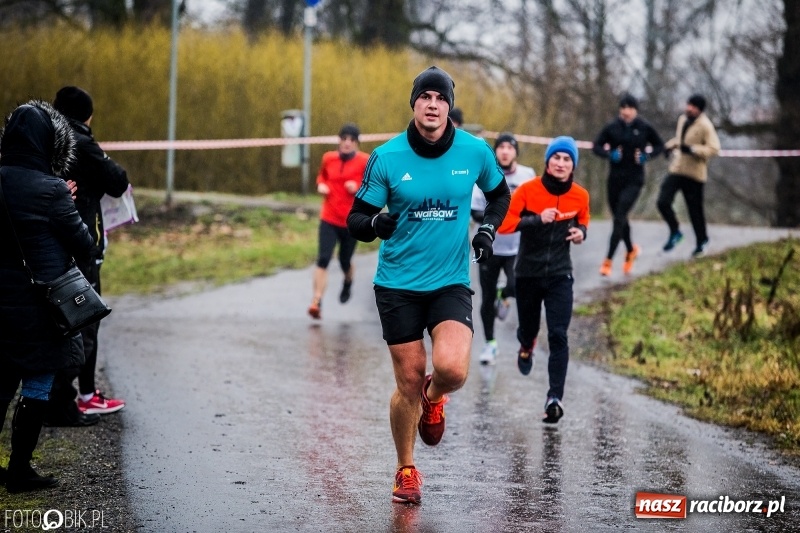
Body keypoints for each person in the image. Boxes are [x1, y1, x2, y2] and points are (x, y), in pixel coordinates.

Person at [347, 66, 510, 504]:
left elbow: (500, 195)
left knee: (453, 369)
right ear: (414, 104)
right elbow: (356, 219)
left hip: (449, 281)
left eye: (441, 97)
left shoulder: (475, 152)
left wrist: (487, 231)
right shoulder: (387, 157)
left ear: (449, 105)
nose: (433, 104)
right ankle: (406, 470)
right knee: (408, 380)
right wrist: (377, 222)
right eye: (425, 97)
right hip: (397, 284)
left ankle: (434, 398)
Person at [0, 100, 95, 492]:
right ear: (48, 143)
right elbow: (84, 245)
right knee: (37, 381)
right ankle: (20, 469)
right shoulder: (52, 190)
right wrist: (68, 204)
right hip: (40, 303)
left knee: (1, 382)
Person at [44, 86, 129, 427]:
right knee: (83, 320)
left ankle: (68, 394)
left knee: (55, 321)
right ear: (87, 115)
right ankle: (75, 397)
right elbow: (118, 182)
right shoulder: (79, 140)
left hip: (44, 245)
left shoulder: (44, 137)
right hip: (80, 243)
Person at [498, 136, 590, 425]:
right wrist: (538, 219)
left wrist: (581, 233)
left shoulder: (580, 196)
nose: (561, 163)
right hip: (527, 273)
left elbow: (583, 219)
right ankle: (526, 345)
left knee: (559, 334)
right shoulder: (528, 190)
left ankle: (554, 398)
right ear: (548, 161)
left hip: (560, 275)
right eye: (557, 158)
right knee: (528, 328)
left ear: (573, 164)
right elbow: (504, 225)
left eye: (567, 159)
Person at [471, 133, 535, 365]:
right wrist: (498, 216)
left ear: (516, 152)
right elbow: (475, 211)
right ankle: (490, 344)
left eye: (510, 147)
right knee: (486, 298)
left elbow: (535, 206)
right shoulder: (486, 174)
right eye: (501, 147)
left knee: (515, 285)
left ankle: (505, 296)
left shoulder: (527, 176)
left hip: (518, 246)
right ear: (495, 151)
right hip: (489, 245)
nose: (505, 151)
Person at [592, 93, 664, 276]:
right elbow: (596, 146)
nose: (626, 111)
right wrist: (610, 155)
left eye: (630, 108)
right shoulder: (612, 127)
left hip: (634, 179)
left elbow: (659, 146)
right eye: (623, 108)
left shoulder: (644, 127)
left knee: (619, 217)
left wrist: (646, 156)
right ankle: (631, 250)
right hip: (614, 179)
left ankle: (607, 261)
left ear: (636, 110)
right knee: (620, 218)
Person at [307, 123, 369, 319]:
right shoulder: (328, 158)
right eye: (344, 139)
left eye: (352, 140)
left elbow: (373, 187)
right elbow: (321, 177)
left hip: (352, 221)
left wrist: (358, 187)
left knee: (344, 261)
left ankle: (348, 280)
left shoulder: (365, 161)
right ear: (339, 140)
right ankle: (316, 301)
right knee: (323, 259)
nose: (347, 143)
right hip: (329, 217)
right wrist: (321, 186)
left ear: (357, 143)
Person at [657, 93, 720, 257]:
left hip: (694, 174)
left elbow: (714, 149)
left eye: (692, 106)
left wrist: (693, 150)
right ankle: (675, 230)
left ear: (699, 109)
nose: (688, 108)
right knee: (662, 201)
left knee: (695, 211)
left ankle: (702, 241)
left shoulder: (706, 126)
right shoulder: (682, 120)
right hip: (677, 169)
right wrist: (669, 146)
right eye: (688, 104)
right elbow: (680, 140)